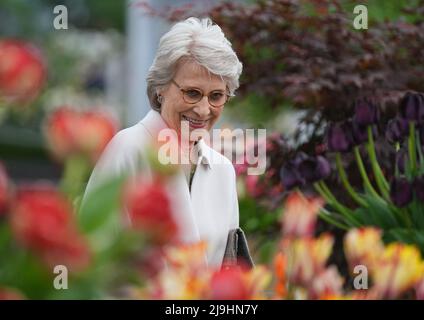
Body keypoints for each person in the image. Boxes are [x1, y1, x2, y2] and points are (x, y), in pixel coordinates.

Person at [82, 17, 252, 269]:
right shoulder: (129, 148)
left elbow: (228, 271)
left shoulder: (223, 169)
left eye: (216, 96)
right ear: (161, 89)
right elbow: (93, 255)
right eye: (192, 93)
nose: (204, 110)